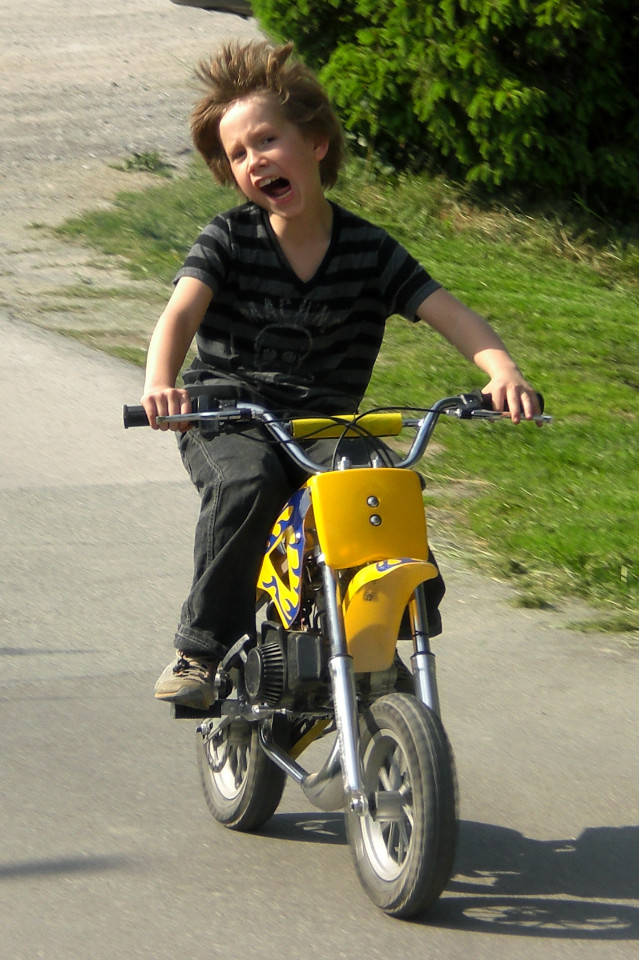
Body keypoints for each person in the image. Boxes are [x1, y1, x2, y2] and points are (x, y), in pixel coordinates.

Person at [143, 40, 540, 709]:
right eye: (237, 155)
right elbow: (180, 313)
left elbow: (452, 314)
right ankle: (202, 648)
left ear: (318, 143)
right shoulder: (230, 239)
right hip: (228, 413)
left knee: (381, 483)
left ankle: (384, 637)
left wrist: (501, 369)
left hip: (322, 420)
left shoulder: (369, 250)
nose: (252, 160)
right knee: (247, 483)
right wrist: (161, 381)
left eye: (265, 140)